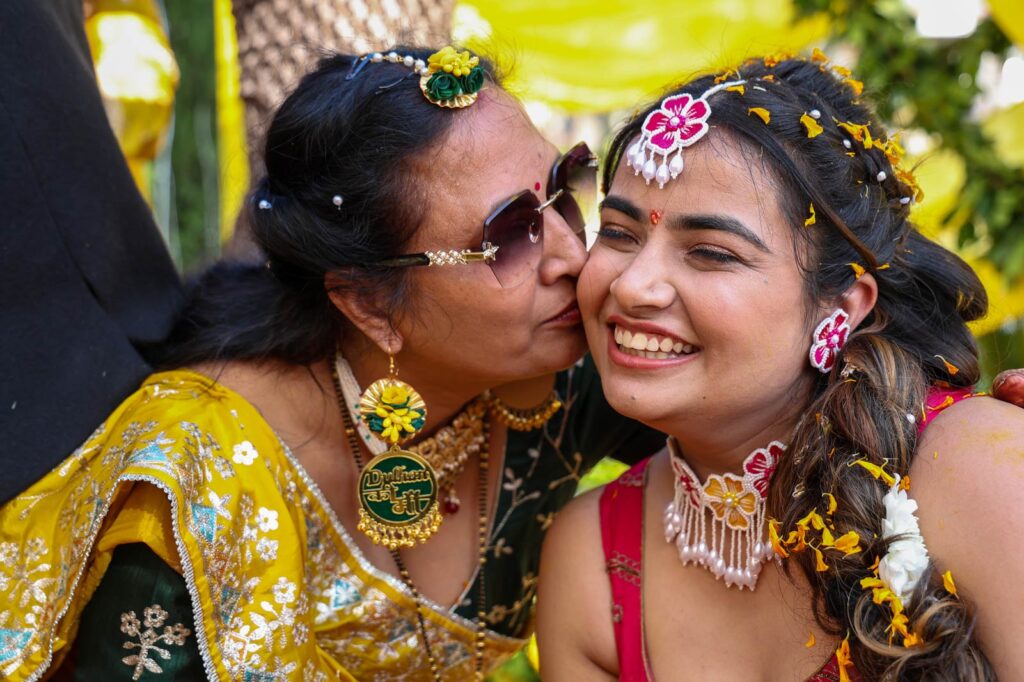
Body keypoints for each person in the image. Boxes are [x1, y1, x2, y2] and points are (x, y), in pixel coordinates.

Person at [0, 45, 664, 681]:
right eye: (509, 236)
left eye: (565, 190)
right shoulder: (202, 474)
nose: (571, 256)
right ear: (369, 304)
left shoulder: (564, 378)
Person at [537, 54, 1024, 680]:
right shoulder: (591, 559)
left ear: (841, 306)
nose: (631, 286)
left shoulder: (979, 469)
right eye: (618, 232)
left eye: (711, 252)